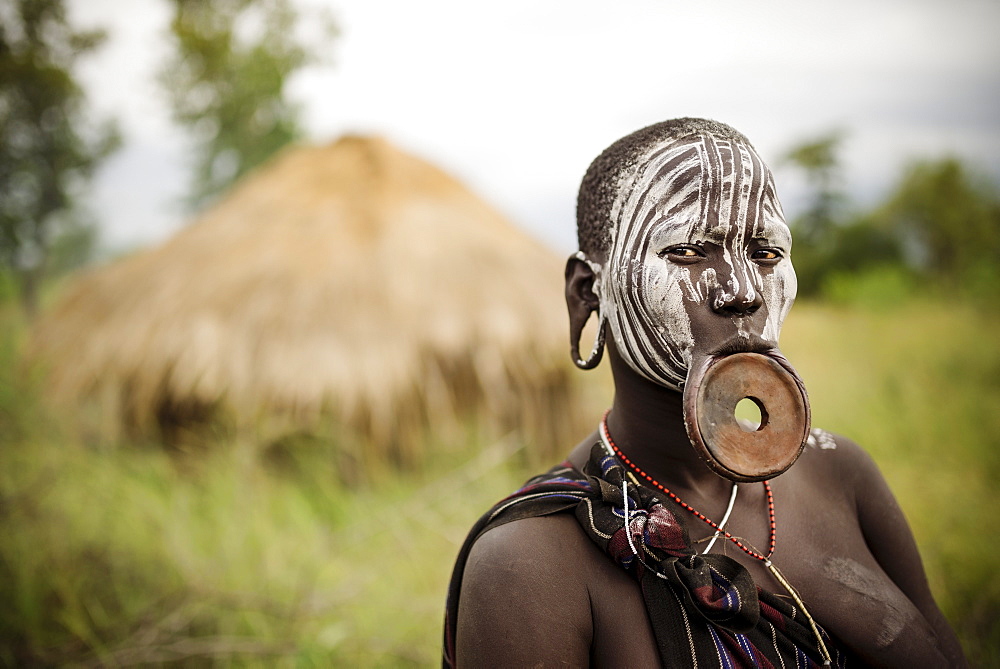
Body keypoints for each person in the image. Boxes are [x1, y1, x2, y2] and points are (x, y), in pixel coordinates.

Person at [443, 118, 966, 667]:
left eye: (765, 251)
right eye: (690, 250)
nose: (742, 290)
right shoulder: (530, 561)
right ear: (586, 292)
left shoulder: (842, 475)